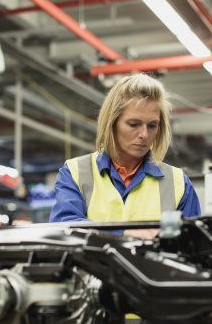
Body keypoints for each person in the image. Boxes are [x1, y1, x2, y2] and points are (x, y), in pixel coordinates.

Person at [49, 73, 200, 239]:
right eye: (134, 124)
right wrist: (125, 234)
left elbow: (194, 244)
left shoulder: (178, 183)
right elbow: (64, 230)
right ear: (111, 122)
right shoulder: (75, 172)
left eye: (152, 125)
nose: (144, 134)